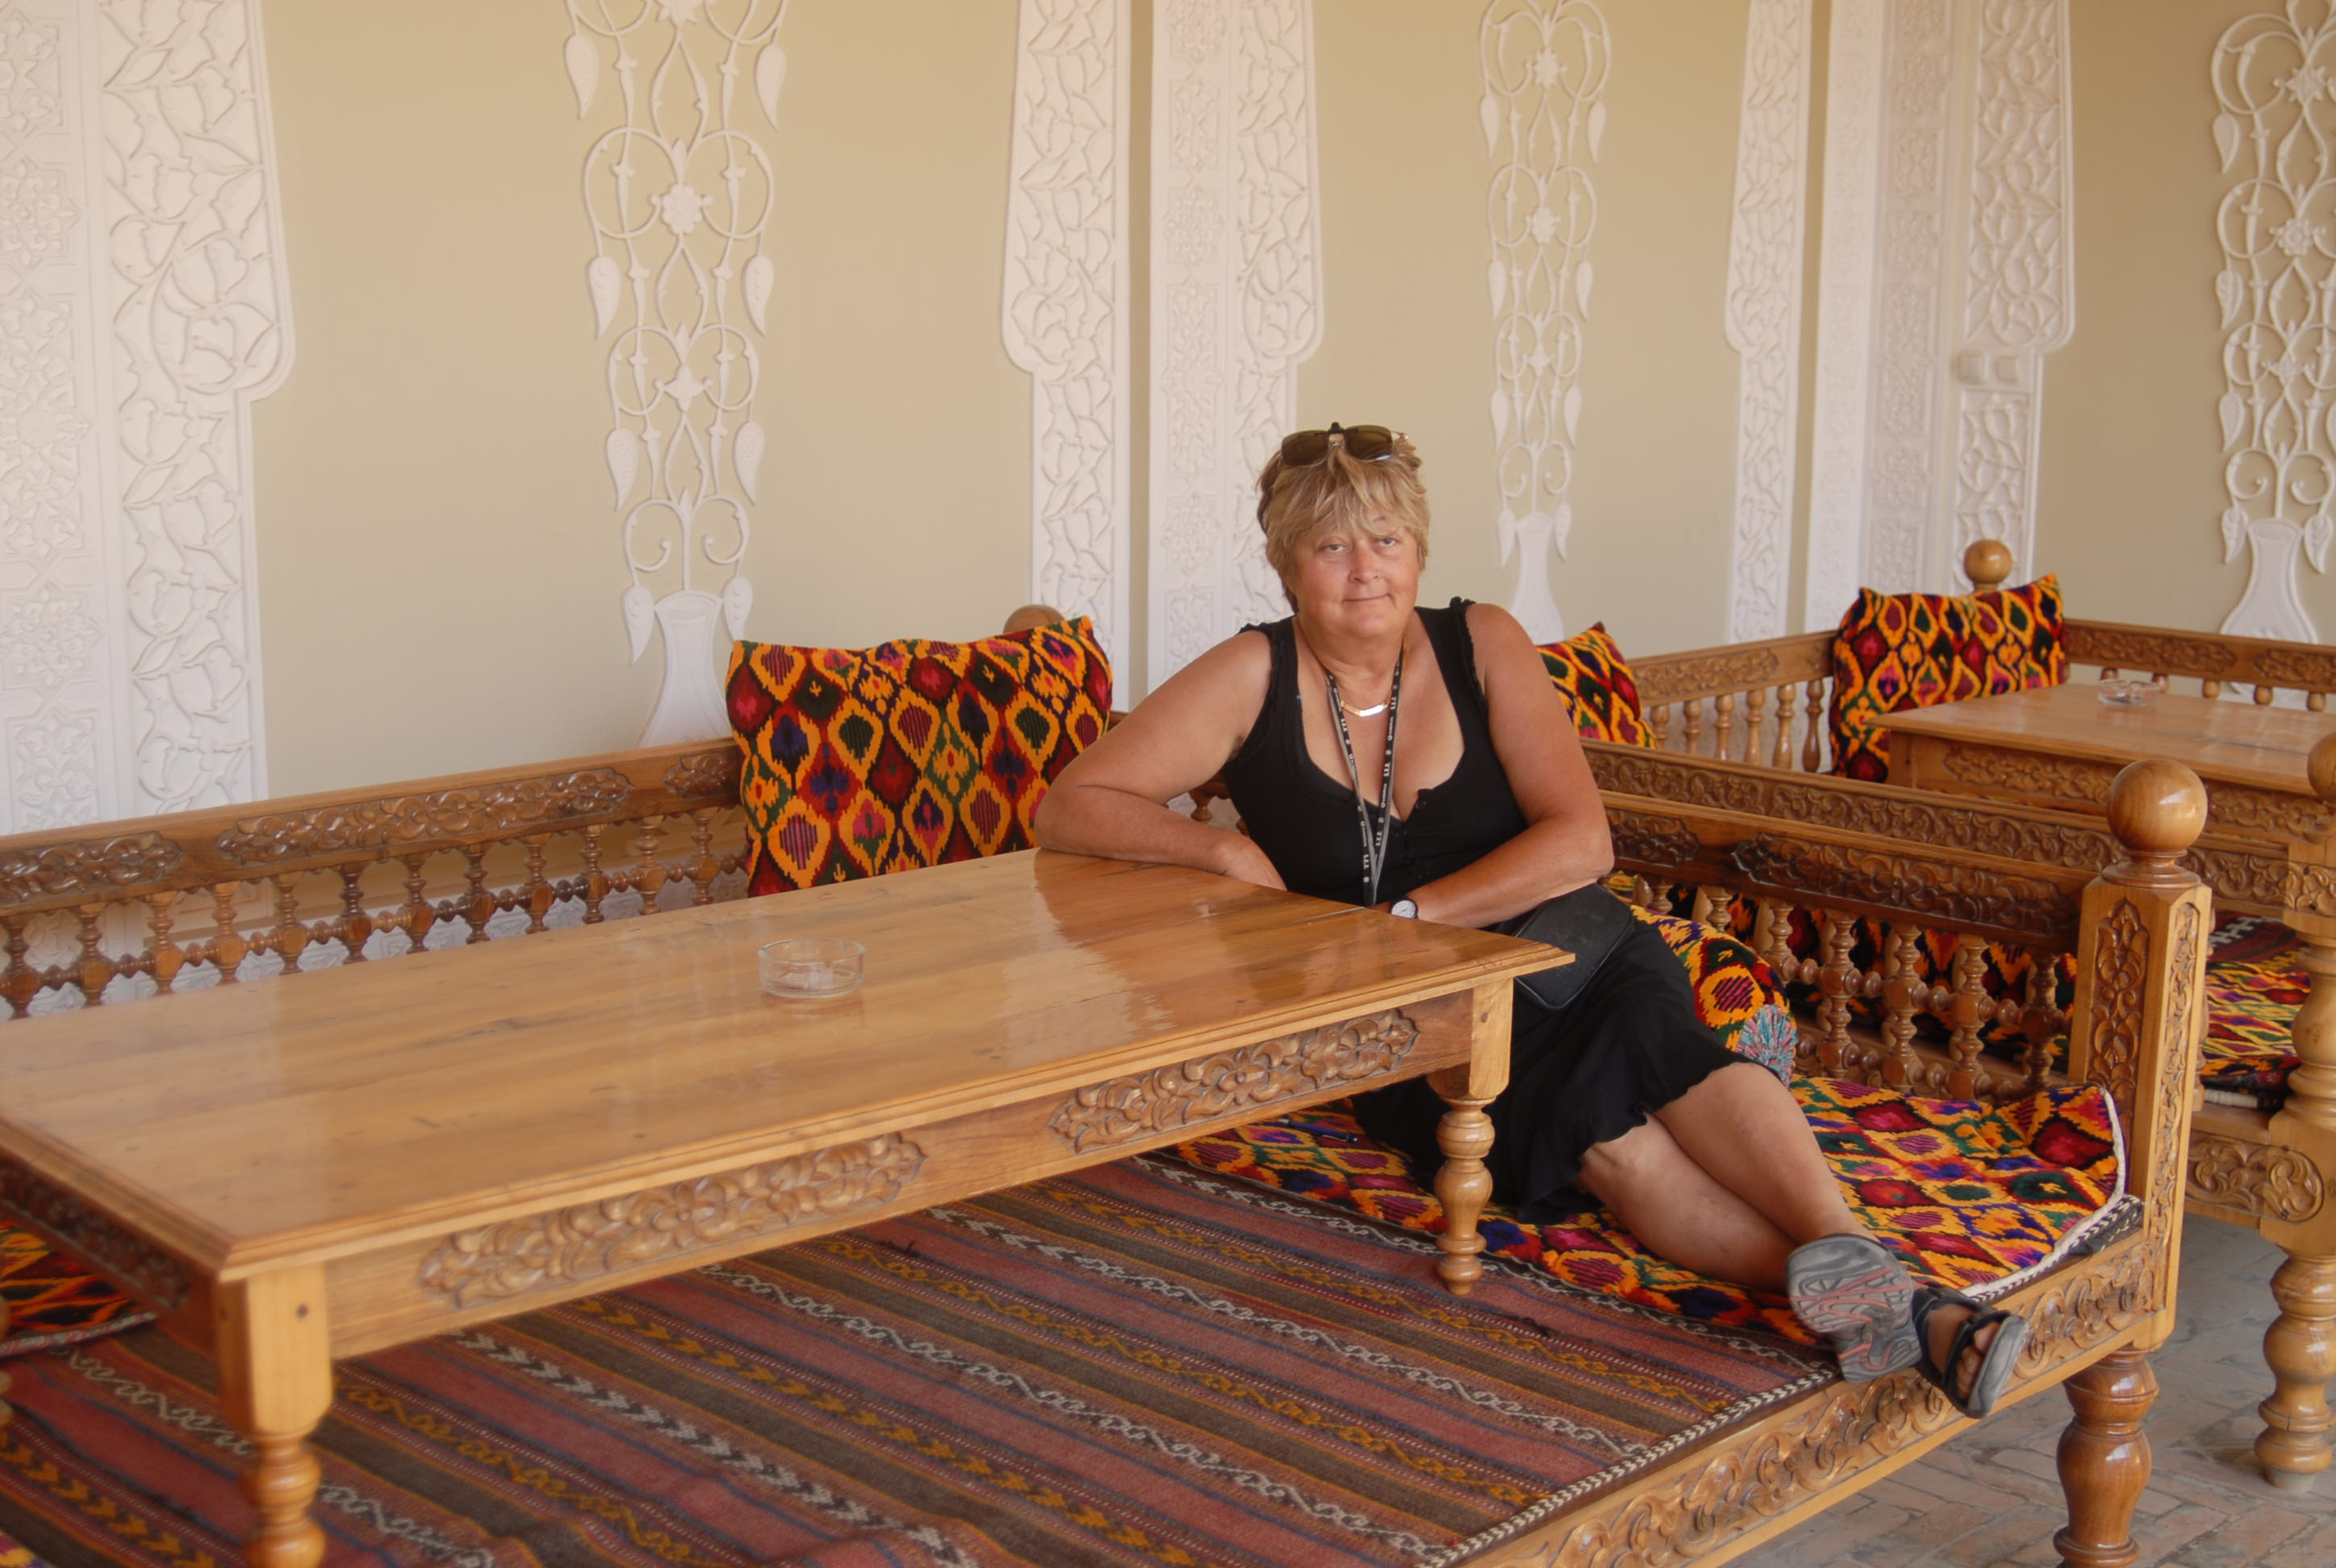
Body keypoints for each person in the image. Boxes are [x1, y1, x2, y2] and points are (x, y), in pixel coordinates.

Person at [1034, 423, 2027, 1416]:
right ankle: (1912, 1309)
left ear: (1420, 550)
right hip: (1405, 1015)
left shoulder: (1482, 642)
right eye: (1331, 546)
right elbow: (1071, 805)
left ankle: (1867, 1275)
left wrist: (1411, 913)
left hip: (1566, 952)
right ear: (1285, 564)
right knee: (1610, 1146)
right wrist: (1221, 852)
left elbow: (1582, 842)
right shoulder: (1250, 673)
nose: (1364, 570)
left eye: (1385, 540)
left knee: (1660, 1046)